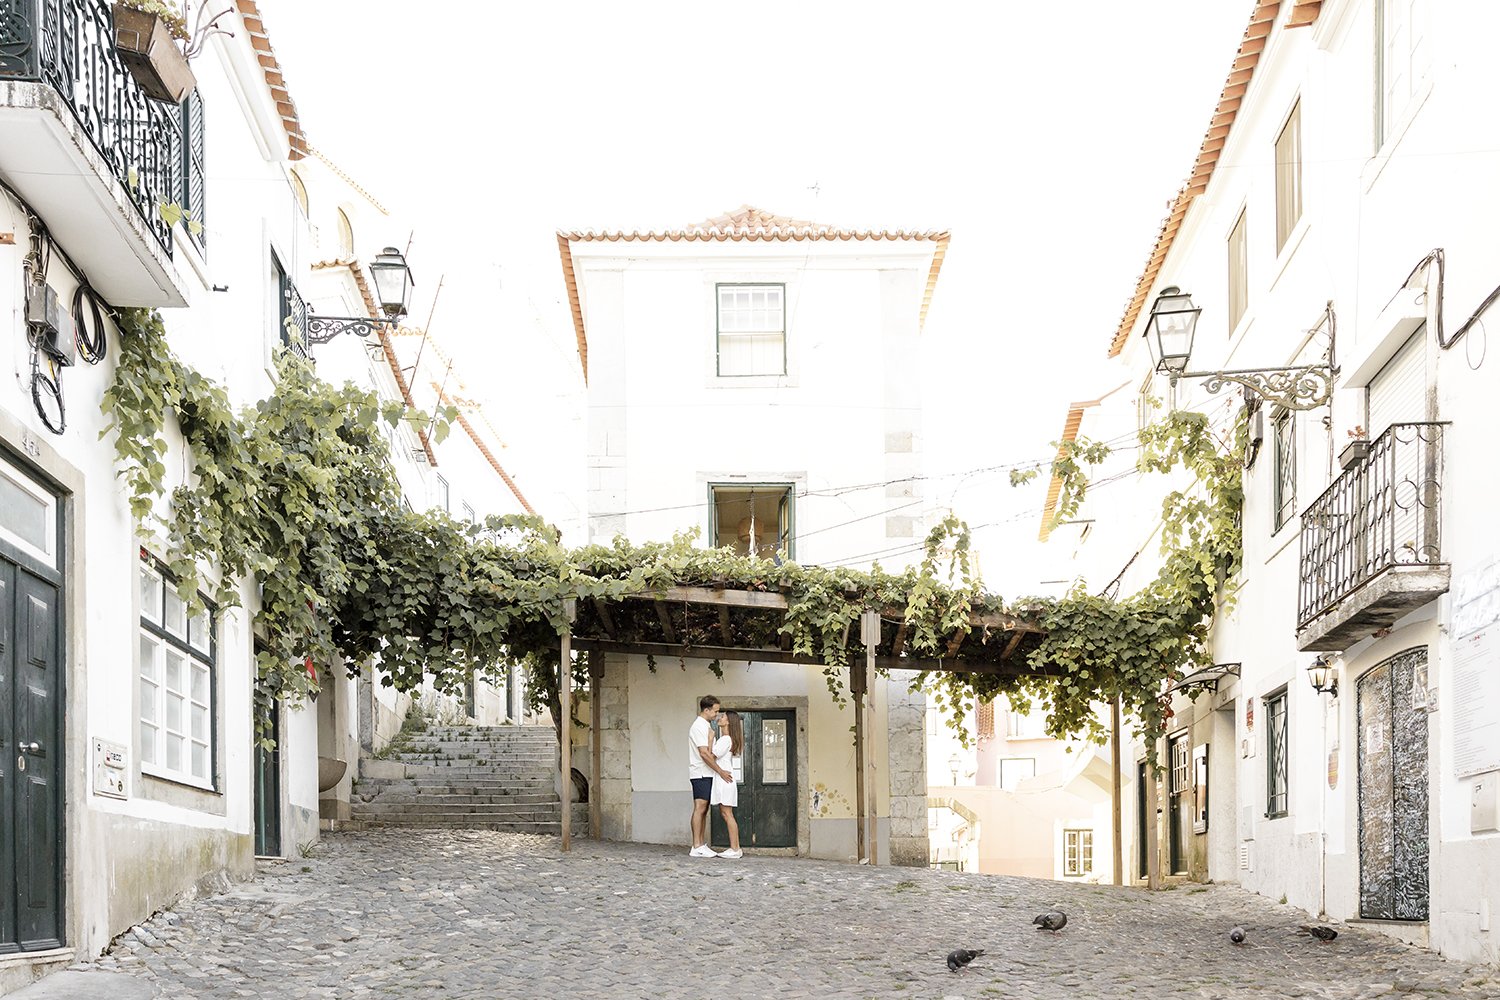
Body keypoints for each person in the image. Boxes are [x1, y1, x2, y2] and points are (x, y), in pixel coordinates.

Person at [688, 695, 731, 857]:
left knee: (704, 809)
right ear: (706, 710)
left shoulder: (705, 725)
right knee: (700, 808)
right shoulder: (699, 726)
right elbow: (704, 754)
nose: (717, 715)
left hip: (706, 773)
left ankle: (700, 844)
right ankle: (696, 845)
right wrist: (720, 771)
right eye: (715, 711)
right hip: (700, 772)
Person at [710, 711, 744, 859]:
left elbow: (711, 756)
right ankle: (735, 848)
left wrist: (710, 738)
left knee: (727, 814)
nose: (719, 718)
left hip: (724, 780)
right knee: (726, 813)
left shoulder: (725, 739)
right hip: (724, 779)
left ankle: (735, 848)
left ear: (728, 721)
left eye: (722, 716)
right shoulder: (726, 739)